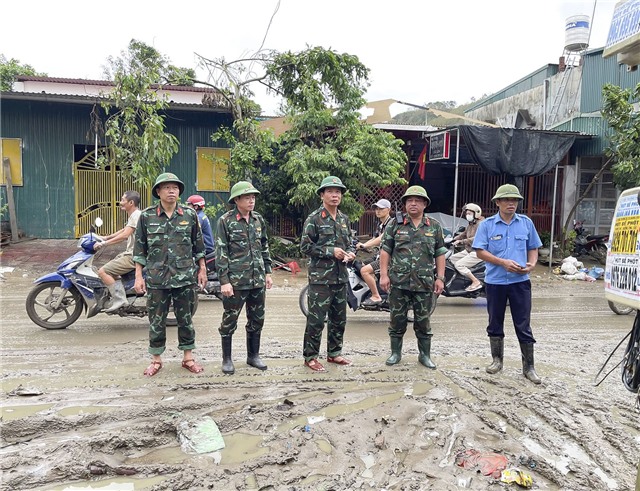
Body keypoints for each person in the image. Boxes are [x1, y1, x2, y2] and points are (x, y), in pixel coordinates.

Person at [133, 172, 207, 377]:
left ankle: (188, 358)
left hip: (184, 276)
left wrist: (202, 269)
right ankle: (156, 360)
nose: (171, 191)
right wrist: (139, 276)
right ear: (158, 191)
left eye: (175, 187)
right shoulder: (146, 217)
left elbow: (198, 246)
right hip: (157, 278)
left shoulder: (189, 215)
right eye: (167, 187)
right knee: (156, 319)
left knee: (186, 319)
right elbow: (139, 250)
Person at [472, 184, 543, 384]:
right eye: (507, 200)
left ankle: (529, 367)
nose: (511, 203)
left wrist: (531, 264)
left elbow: (533, 247)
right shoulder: (487, 225)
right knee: (495, 321)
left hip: (520, 282)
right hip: (495, 282)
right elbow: (479, 251)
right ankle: (497, 360)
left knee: (523, 324)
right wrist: (502, 262)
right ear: (497, 203)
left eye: (515, 200)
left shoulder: (526, 223)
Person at [379, 185, 446, 368]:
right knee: (397, 320)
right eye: (410, 200)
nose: (413, 204)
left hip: (424, 283)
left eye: (417, 200)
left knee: (423, 322)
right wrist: (384, 275)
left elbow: (440, 253)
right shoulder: (395, 224)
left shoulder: (434, 226)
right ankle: (395, 353)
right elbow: (386, 250)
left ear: (425, 204)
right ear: (405, 204)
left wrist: (440, 278)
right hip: (399, 282)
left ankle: (424, 355)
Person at [216, 181, 273, 375]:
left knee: (257, 319)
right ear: (237, 199)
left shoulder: (258, 220)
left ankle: (253, 356)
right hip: (236, 281)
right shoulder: (226, 221)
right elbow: (221, 251)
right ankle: (227, 359)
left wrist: (268, 272)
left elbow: (264, 246)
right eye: (247, 197)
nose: (251, 200)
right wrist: (224, 281)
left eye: (253, 197)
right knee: (229, 320)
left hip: (257, 280)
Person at [300, 176, 356, 372]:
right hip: (320, 279)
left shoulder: (343, 219)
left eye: (338, 192)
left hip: (340, 277)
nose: (335, 195)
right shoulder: (314, 218)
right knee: (316, 320)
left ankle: (334, 353)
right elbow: (305, 246)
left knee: (339, 318)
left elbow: (349, 241)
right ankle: (310, 356)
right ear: (322, 195)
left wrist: (350, 252)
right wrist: (330, 251)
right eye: (331, 191)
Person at [94, 191, 141, 312]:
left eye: (123, 200)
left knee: (103, 271)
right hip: (131, 252)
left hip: (134, 255)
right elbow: (123, 230)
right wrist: (105, 237)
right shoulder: (134, 215)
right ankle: (123, 295)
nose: (120, 202)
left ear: (131, 202)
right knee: (112, 270)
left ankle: (119, 299)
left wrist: (104, 244)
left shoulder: (136, 215)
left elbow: (125, 235)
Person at [356, 199, 393, 306]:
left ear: (388, 210)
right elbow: (374, 238)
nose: (378, 211)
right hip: (379, 255)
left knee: (365, 271)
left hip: (388, 258)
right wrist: (360, 245)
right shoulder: (380, 224)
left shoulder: (391, 223)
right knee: (360, 264)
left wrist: (365, 245)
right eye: (376, 208)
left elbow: (381, 238)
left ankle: (376, 296)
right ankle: (376, 289)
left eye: (381, 208)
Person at [450, 203, 485, 292]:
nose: (467, 215)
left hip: (478, 252)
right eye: (467, 213)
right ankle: (460, 281)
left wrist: (461, 241)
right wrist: (452, 239)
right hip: (469, 250)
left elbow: (476, 238)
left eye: (469, 213)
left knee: (459, 264)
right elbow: (464, 234)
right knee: (451, 260)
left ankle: (475, 281)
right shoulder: (471, 224)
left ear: (476, 213)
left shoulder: (481, 224)